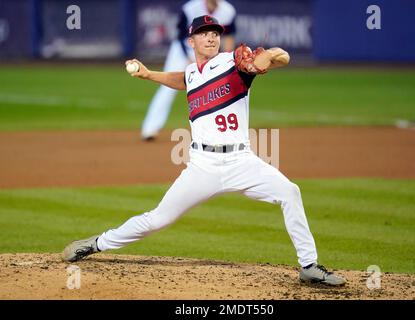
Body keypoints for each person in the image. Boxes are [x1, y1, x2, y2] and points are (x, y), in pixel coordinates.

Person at [62, 15, 346, 286]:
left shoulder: (233, 62)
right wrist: (148, 75)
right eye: (204, 34)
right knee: (158, 219)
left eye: (215, 34)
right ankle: (96, 243)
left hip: (241, 161)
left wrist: (270, 56)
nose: (211, 38)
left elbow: (282, 56)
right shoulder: (192, 72)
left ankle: (308, 266)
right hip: (202, 166)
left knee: (289, 192)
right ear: (191, 42)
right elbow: (183, 80)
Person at [141, 0, 236, 140]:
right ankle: (150, 129)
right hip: (182, 52)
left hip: (208, 52)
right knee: (167, 87)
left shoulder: (228, 11)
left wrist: (228, 62)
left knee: (216, 88)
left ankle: (216, 130)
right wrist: (189, 59)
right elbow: (180, 36)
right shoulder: (191, 8)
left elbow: (228, 38)